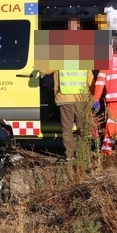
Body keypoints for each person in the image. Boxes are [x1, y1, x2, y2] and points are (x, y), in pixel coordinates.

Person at [41, 18, 92, 160]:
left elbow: (45, 69)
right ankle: (83, 155)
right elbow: (90, 77)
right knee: (83, 128)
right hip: (81, 98)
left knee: (67, 128)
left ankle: (70, 155)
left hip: (66, 97)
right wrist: (95, 95)